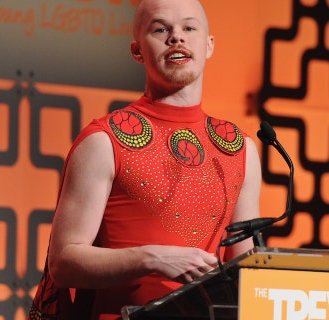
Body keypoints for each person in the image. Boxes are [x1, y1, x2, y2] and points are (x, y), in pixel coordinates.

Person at [28, 0, 262, 319]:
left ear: (209, 46)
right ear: (137, 51)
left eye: (189, 28)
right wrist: (152, 258)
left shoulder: (240, 148)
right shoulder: (103, 141)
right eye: (161, 29)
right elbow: (63, 264)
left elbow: (246, 273)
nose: (176, 38)